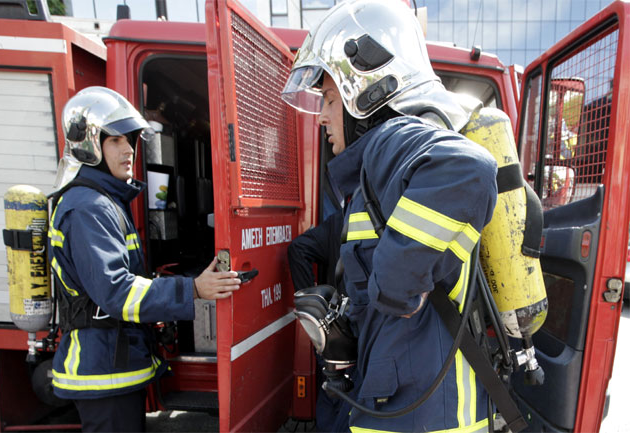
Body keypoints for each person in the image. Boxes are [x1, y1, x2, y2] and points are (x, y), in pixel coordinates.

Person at [282, 1, 499, 432]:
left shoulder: (391, 139)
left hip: (426, 416)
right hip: (415, 405)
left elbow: (467, 169)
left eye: (328, 99)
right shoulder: (376, 170)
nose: (323, 116)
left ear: (369, 92)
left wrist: (393, 289)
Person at [47, 87, 240, 432]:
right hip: (102, 370)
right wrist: (193, 289)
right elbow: (117, 293)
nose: (128, 151)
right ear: (89, 146)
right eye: (116, 141)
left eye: (131, 141)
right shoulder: (89, 208)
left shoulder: (102, 201)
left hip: (111, 364)